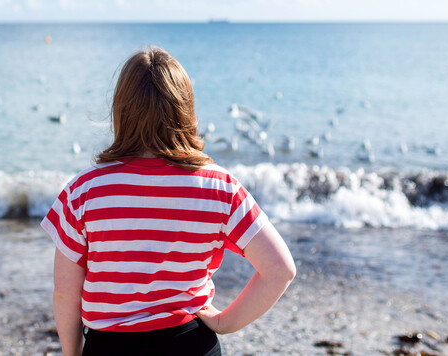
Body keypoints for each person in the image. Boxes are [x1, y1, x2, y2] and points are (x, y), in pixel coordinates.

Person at [41, 46, 295, 356]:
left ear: (121, 110)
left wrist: (72, 352)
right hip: (191, 343)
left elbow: (66, 292)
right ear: (186, 109)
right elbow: (280, 269)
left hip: (110, 347)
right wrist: (225, 322)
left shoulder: (84, 190)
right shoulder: (218, 187)